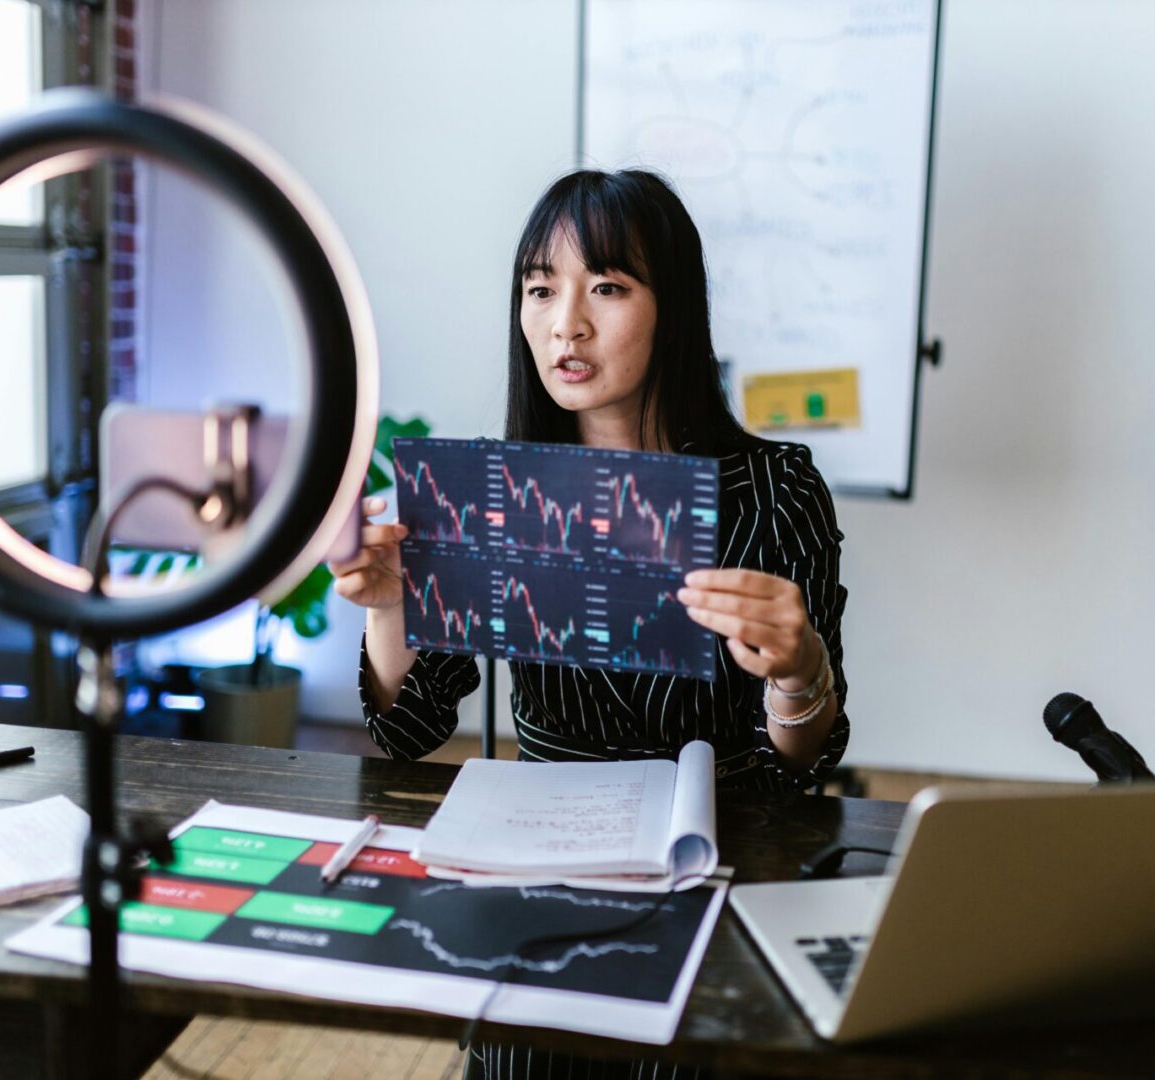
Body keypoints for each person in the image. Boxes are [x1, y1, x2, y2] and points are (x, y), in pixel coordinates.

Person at [330, 169, 849, 1079]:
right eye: (540, 289)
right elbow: (407, 730)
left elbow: (802, 764)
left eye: (606, 287)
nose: (565, 323)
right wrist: (388, 613)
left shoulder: (776, 488)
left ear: (673, 308)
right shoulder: (490, 488)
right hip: (535, 873)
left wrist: (799, 675)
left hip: (715, 866)